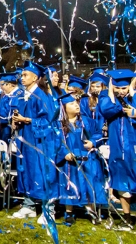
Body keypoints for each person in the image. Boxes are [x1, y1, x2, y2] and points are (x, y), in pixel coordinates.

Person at [11, 62, 60, 225]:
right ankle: (29, 205)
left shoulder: (41, 96)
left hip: (41, 142)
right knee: (27, 171)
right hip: (26, 139)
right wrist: (16, 122)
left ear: (36, 78)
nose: (22, 78)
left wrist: (27, 120)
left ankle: (49, 210)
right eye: (22, 75)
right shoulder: (24, 95)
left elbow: (49, 120)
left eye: (25, 75)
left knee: (42, 172)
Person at [57, 93, 106, 225]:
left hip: (87, 159)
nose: (76, 105)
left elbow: (98, 134)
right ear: (64, 108)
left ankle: (91, 212)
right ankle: (68, 212)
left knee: (89, 183)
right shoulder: (58, 125)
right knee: (70, 185)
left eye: (76, 103)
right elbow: (55, 142)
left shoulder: (86, 121)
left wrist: (93, 142)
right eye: (72, 104)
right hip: (69, 161)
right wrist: (64, 153)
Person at [98, 69, 136, 230]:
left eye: (124, 87)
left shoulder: (133, 98)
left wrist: (133, 105)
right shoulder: (106, 98)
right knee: (121, 182)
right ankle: (127, 218)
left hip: (133, 147)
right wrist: (111, 93)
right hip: (118, 148)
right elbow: (106, 111)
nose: (121, 91)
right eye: (118, 88)